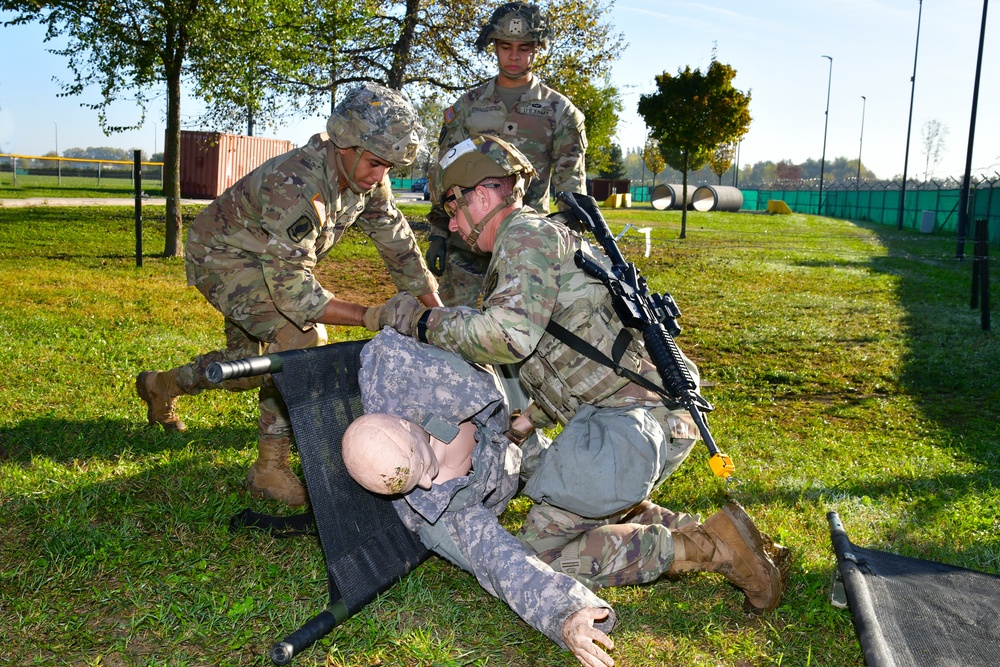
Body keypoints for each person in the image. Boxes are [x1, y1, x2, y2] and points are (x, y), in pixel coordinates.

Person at [367, 135, 786, 615]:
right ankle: (730, 535)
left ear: (481, 194)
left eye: (454, 210)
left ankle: (711, 549)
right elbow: (571, 355)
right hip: (651, 422)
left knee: (542, 551)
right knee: (553, 479)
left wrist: (421, 321)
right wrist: (527, 422)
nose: (456, 226)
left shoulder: (523, 238)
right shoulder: (542, 236)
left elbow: (508, 337)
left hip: (631, 431)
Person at [136, 82, 442, 507]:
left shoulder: (367, 178)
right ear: (344, 143)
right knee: (302, 340)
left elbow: (400, 246)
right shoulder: (296, 182)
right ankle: (268, 469)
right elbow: (296, 296)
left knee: (249, 374)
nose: (380, 177)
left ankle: (161, 385)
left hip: (266, 260)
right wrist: (375, 315)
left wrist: (437, 314)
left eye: (389, 167)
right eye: (375, 163)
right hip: (223, 259)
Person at [343, 329, 616, 667]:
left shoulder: (396, 370)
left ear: (406, 423)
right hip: (507, 466)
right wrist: (566, 614)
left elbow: (424, 325)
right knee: (587, 506)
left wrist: (518, 427)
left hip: (512, 429)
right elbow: (501, 563)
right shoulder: (441, 516)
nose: (427, 485)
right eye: (414, 484)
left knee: (601, 489)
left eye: (423, 468)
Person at [425, 1, 588, 308]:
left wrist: (560, 247)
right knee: (456, 337)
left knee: (518, 342)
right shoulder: (467, 108)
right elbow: (445, 175)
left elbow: (572, 193)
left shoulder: (560, 112)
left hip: (526, 249)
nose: (514, 55)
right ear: (494, 47)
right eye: (506, 46)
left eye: (525, 47)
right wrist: (438, 235)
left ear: (538, 49)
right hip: (466, 251)